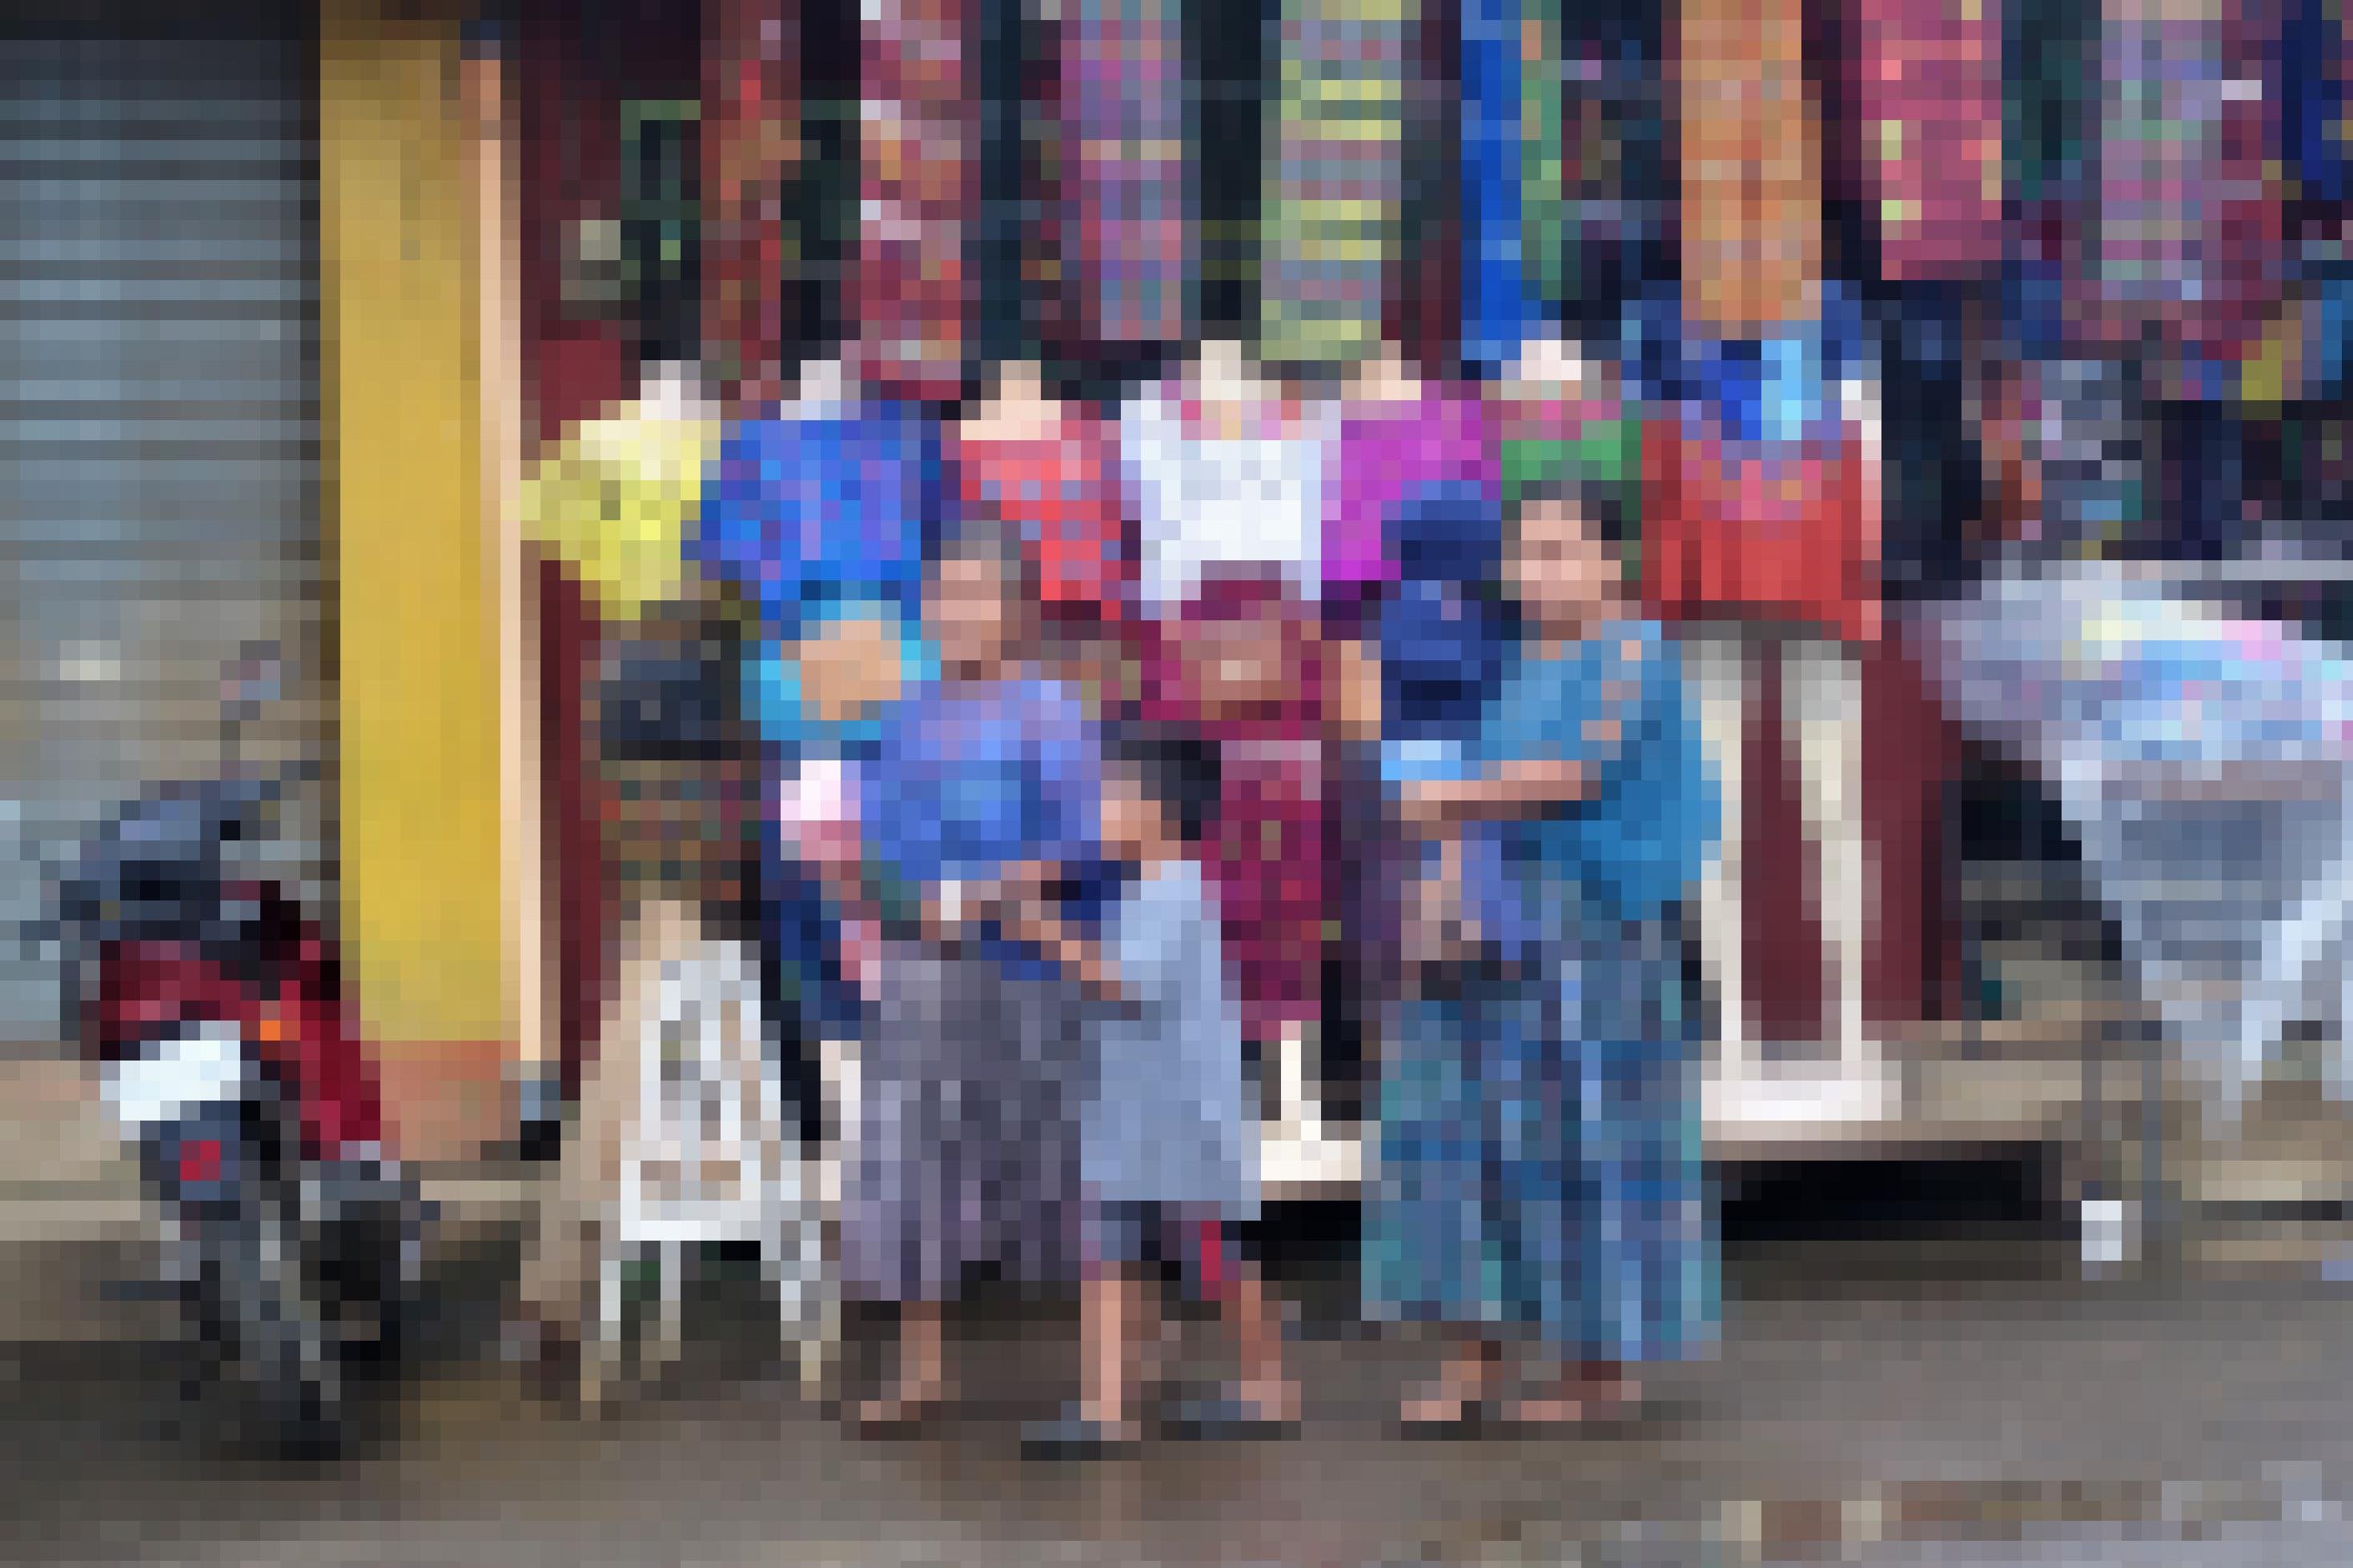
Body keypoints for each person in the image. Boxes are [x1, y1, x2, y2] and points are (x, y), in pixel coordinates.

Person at [1368, 479, 1718, 1431]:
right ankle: (1469, 1356)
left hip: (1590, 935)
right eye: (1524, 555)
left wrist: (1447, 799)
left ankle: (1599, 1371)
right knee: (1458, 1129)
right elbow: (1482, 780)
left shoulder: (1630, 651)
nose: (1535, 573)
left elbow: (1575, 774)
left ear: (1611, 562)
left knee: (1582, 1140)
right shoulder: (1522, 663)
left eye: (1560, 552)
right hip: (1497, 923)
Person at [845, 519, 1111, 1434]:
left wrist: (995, 889)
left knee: (1064, 1159)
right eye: (942, 595)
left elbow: (1086, 842)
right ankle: (923, 1370)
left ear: (1018, 612)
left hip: (1033, 964)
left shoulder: (1052, 711)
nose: (955, 612)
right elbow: (874, 845)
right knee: (914, 1153)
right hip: (927, 967)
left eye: (975, 595)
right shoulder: (905, 716)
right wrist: (898, 900)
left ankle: (1112, 1363)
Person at [1021, 722, 1299, 1456]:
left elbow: (1129, 986)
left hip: (1180, 1112)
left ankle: (1267, 1385)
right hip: (1132, 1108)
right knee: (1107, 1250)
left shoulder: (1173, 891)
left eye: (1111, 795)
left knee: (1215, 1254)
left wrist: (1048, 932)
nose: (1098, 811)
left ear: (1157, 809)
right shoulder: (1145, 889)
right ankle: (1105, 1406)